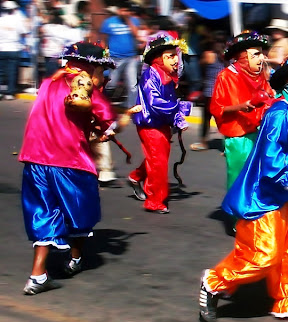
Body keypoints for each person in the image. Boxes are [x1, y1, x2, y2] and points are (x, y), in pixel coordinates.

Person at [198, 54, 288, 322]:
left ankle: (287, 299)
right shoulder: (280, 112)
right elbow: (270, 158)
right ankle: (212, 283)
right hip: (261, 199)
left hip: (280, 195)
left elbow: (283, 151)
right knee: (263, 256)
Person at [18, 42, 118, 295]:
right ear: (91, 66)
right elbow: (107, 119)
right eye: (102, 70)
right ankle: (74, 259)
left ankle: (38, 274)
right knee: (82, 210)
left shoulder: (48, 82)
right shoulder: (88, 88)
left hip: (36, 157)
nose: (104, 76)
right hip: (69, 159)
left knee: (43, 212)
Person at [127, 33, 191, 214]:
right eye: (169, 57)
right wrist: (178, 108)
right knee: (159, 161)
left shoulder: (167, 75)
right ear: (158, 58)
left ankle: (136, 176)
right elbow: (155, 102)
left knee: (157, 158)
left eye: (175, 56)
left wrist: (177, 114)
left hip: (161, 122)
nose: (175, 60)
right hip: (150, 123)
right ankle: (154, 201)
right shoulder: (151, 75)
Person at [210, 31, 273, 192]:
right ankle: (237, 216)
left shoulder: (260, 76)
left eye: (262, 53)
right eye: (256, 54)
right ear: (243, 56)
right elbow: (216, 108)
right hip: (238, 137)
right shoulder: (226, 76)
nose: (262, 58)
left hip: (258, 134)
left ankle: (253, 215)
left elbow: (269, 98)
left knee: (258, 180)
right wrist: (240, 107)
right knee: (239, 180)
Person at [99, 2, 142, 109]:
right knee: (111, 83)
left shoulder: (134, 21)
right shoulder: (109, 22)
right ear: (118, 11)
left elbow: (137, 35)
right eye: (122, 10)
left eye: (127, 10)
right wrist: (104, 54)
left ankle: (131, 105)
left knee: (132, 84)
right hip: (115, 58)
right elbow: (104, 40)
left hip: (131, 58)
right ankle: (102, 102)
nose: (124, 12)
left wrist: (128, 21)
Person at [190, 37, 226, 151]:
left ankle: (203, 142)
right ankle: (227, 146)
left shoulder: (209, 55)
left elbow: (201, 64)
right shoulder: (227, 57)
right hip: (222, 93)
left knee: (206, 119)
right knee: (223, 120)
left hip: (210, 92)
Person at [0, 0, 27, 100]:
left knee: (1, 72)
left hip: (1, 48)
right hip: (14, 48)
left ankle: (1, 91)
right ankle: (9, 93)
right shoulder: (17, 20)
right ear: (13, 10)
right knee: (12, 72)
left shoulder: (1, 20)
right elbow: (23, 32)